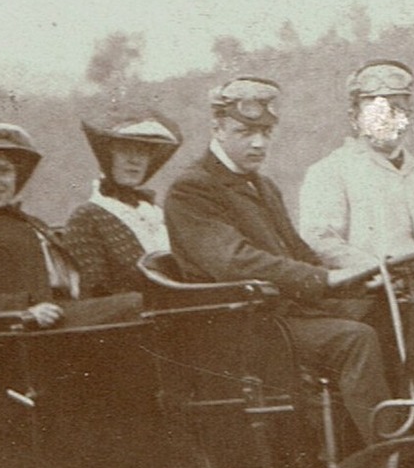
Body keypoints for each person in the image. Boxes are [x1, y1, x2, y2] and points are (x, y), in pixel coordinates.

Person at [163, 77, 390, 445]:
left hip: (282, 315)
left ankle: (405, 435)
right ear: (216, 129)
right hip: (244, 328)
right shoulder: (192, 189)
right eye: (244, 131)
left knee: (392, 311)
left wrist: (353, 280)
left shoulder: (262, 186)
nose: (259, 142)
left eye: (266, 132)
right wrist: (323, 281)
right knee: (356, 340)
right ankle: (389, 462)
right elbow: (235, 261)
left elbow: (297, 252)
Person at [0, 122, 141, 328]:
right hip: (30, 326)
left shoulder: (33, 223)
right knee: (138, 304)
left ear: (16, 176)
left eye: (4, 171)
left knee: (147, 301)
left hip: (68, 312)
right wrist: (25, 308)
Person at [299, 60, 414, 270]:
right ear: (355, 118)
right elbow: (320, 241)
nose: (386, 119)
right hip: (371, 294)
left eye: (397, 109)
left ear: (408, 117)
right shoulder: (329, 172)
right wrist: (380, 272)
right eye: (375, 111)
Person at [63, 111, 182, 297]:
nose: (135, 160)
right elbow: (94, 294)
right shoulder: (87, 217)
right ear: (107, 155)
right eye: (125, 149)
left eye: (142, 151)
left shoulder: (154, 212)